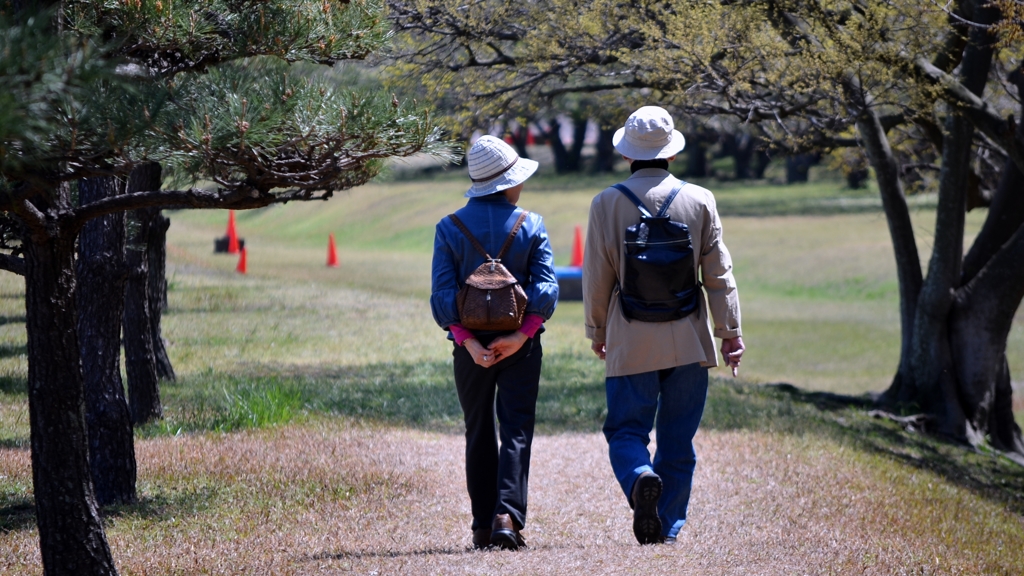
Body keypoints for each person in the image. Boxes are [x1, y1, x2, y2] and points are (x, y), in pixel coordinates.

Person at [583, 106, 744, 545]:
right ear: (671, 154)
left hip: (631, 336)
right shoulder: (700, 199)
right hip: (689, 339)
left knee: (626, 429)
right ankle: (668, 527)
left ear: (626, 155)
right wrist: (729, 333)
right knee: (678, 440)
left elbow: (597, 277)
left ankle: (638, 478)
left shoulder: (606, 202)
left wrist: (598, 332)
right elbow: (719, 275)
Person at [430, 135, 558, 550]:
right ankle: (508, 516)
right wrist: (521, 335)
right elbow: (547, 289)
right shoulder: (531, 224)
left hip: (470, 349)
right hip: (522, 343)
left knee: (478, 429)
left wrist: (467, 341)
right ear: (508, 183)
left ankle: (482, 526)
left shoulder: (448, 228)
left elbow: (442, 297)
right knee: (516, 427)